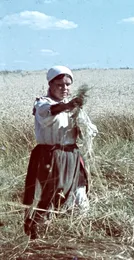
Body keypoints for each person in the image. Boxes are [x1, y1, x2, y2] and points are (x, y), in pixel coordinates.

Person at [23, 65, 98, 239]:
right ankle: (38, 234)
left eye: (68, 85)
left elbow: (90, 128)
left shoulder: (73, 106)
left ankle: (79, 232)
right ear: (50, 84)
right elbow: (48, 113)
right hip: (51, 156)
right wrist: (67, 106)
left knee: (79, 192)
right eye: (60, 85)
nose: (64, 88)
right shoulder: (43, 103)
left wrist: (82, 125)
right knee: (48, 196)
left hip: (72, 155)